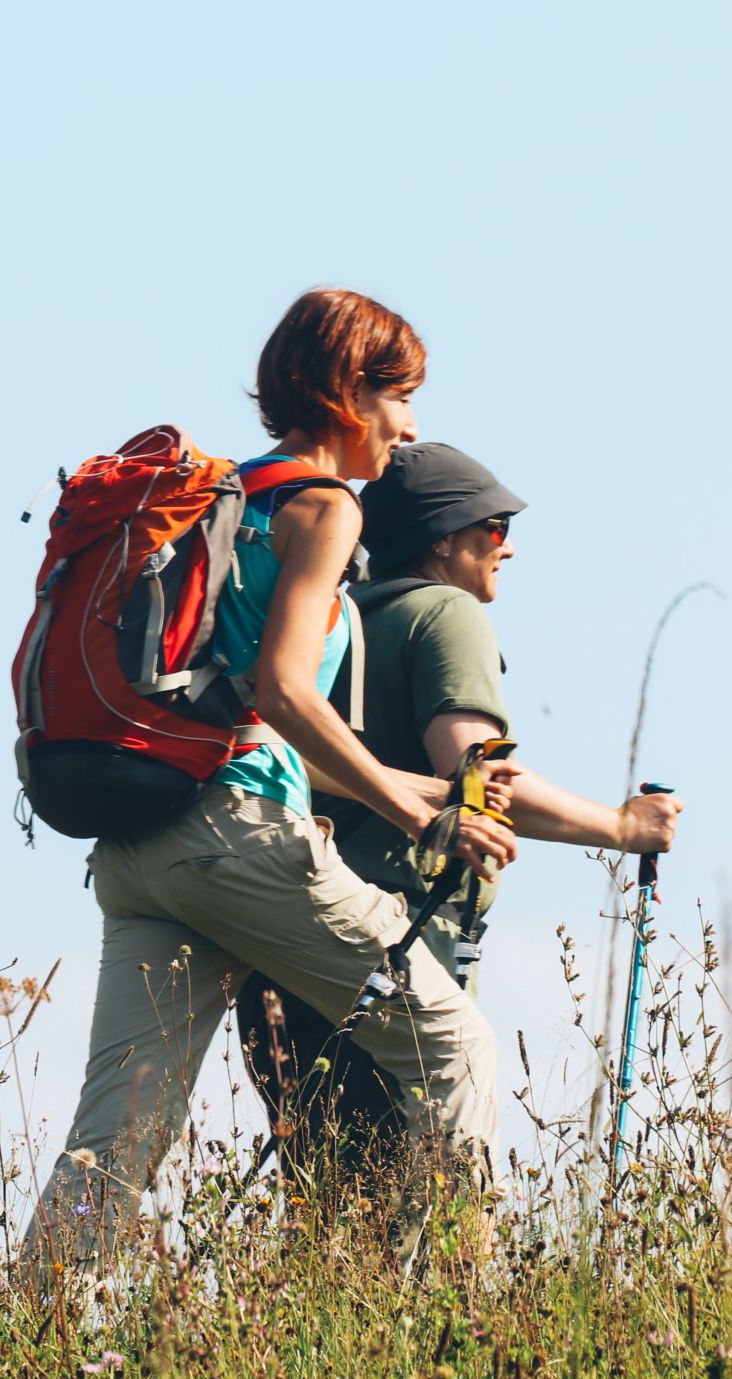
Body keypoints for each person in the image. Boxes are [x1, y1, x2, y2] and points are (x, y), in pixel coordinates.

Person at [21, 291, 518, 1293]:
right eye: (399, 398)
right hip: (232, 836)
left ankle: (22, 1350)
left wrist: (412, 789)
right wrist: (416, 809)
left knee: (117, 1134)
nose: (408, 427)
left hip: (140, 850)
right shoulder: (325, 507)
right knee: (448, 1040)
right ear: (347, 395)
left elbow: (260, 711)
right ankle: (485, 1321)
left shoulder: (221, 503)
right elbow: (292, 692)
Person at [235, 442, 683, 1201]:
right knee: (416, 1219)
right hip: (396, 940)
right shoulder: (445, 614)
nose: (505, 546)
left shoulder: (325, 616)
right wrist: (621, 826)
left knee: (326, 1226)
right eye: (495, 527)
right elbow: (478, 779)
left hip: (278, 945)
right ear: (443, 538)